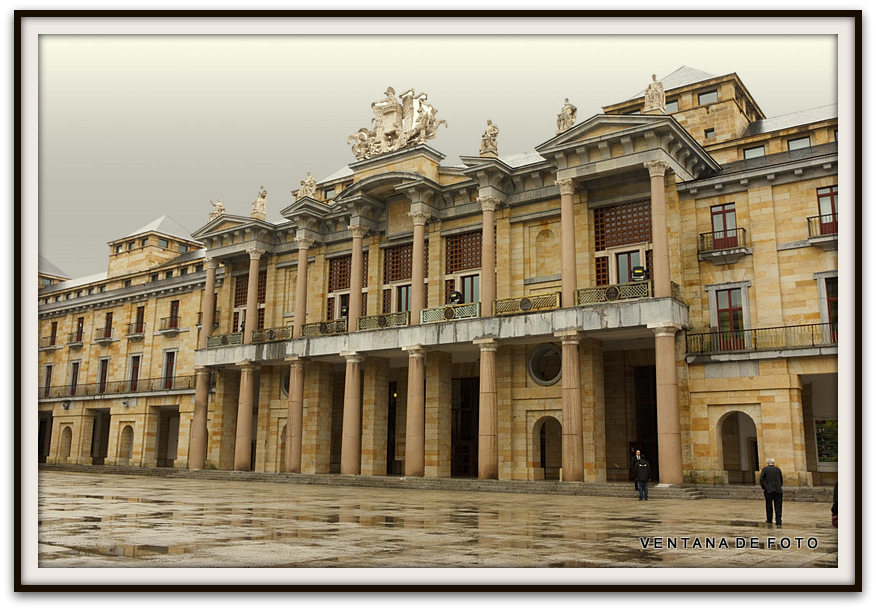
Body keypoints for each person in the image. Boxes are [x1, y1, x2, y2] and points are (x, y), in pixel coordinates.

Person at [759, 457, 783, 525]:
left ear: (767, 463)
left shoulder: (765, 469)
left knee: (769, 505)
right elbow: (781, 480)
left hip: (769, 490)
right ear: (773, 463)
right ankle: (778, 520)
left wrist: (764, 487)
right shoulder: (778, 469)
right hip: (778, 490)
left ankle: (769, 519)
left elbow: (761, 479)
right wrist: (779, 486)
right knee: (778, 506)